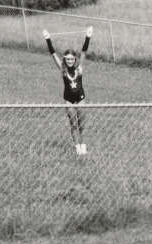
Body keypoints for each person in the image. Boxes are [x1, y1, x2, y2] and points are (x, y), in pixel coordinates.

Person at [43, 26, 93, 155]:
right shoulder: (62, 69)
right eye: (67, 59)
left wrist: (88, 36)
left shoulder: (79, 69)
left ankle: (83, 145)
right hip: (69, 100)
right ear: (65, 60)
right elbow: (53, 54)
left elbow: (84, 52)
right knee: (73, 124)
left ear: (75, 60)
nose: (70, 61)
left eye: (72, 59)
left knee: (82, 124)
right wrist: (48, 39)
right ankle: (77, 147)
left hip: (80, 99)